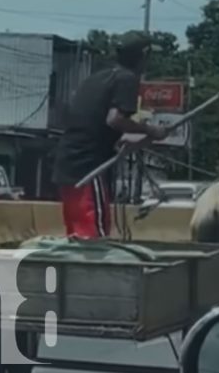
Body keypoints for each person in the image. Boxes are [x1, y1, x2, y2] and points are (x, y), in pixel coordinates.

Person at [51, 32, 169, 239]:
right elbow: (114, 120)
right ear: (143, 56)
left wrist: (133, 138)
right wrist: (151, 130)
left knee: (78, 236)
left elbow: (96, 124)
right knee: (94, 237)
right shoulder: (127, 79)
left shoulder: (98, 77)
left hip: (68, 164)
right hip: (88, 168)